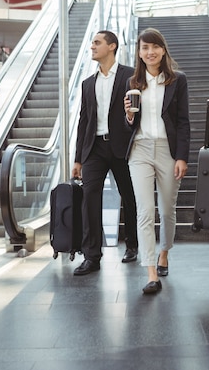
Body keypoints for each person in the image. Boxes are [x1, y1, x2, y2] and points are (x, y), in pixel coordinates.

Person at [124, 28, 190, 295]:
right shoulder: (133, 83)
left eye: (154, 47)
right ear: (139, 53)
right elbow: (129, 124)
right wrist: (128, 117)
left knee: (166, 209)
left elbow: (183, 122)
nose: (149, 52)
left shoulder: (177, 80)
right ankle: (151, 271)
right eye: (144, 48)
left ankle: (164, 252)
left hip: (167, 150)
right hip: (139, 149)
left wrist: (182, 156)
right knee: (145, 211)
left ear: (163, 49)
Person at [72, 30, 139, 276]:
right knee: (90, 198)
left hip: (122, 146)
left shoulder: (130, 75)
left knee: (129, 197)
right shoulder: (88, 83)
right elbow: (83, 121)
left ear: (112, 46)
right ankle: (92, 256)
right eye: (92, 43)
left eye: (97, 43)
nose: (92, 47)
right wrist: (78, 158)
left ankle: (132, 244)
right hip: (94, 148)